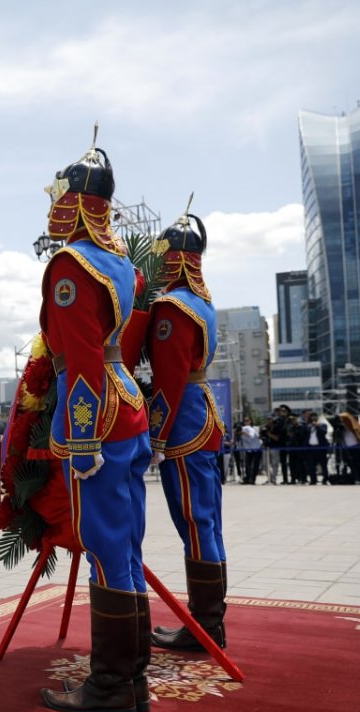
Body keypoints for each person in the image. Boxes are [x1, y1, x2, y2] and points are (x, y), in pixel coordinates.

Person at [34, 134, 151, 712]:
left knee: (105, 546)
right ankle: (134, 676)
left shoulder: (71, 265)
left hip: (97, 413)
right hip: (127, 401)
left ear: (76, 202)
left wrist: (82, 441)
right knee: (126, 547)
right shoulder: (123, 265)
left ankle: (111, 686)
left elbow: (80, 358)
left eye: (59, 194)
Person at [145, 207, 229, 654]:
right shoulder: (203, 303)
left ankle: (206, 628)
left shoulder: (171, 307)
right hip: (203, 413)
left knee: (195, 522)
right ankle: (208, 623)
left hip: (183, 423)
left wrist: (156, 435)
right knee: (208, 522)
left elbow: (170, 377)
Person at [238, 417, 263, 485]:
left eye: (247, 420)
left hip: (256, 448)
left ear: (251, 421)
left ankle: (253, 479)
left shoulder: (252, 428)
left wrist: (244, 433)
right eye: (245, 421)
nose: (246, 422)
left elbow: (251, 436)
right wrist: (239, 432)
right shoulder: (243, 428)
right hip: (249, 449)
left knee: (255, 465)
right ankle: (248, 478)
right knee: (247, 465)